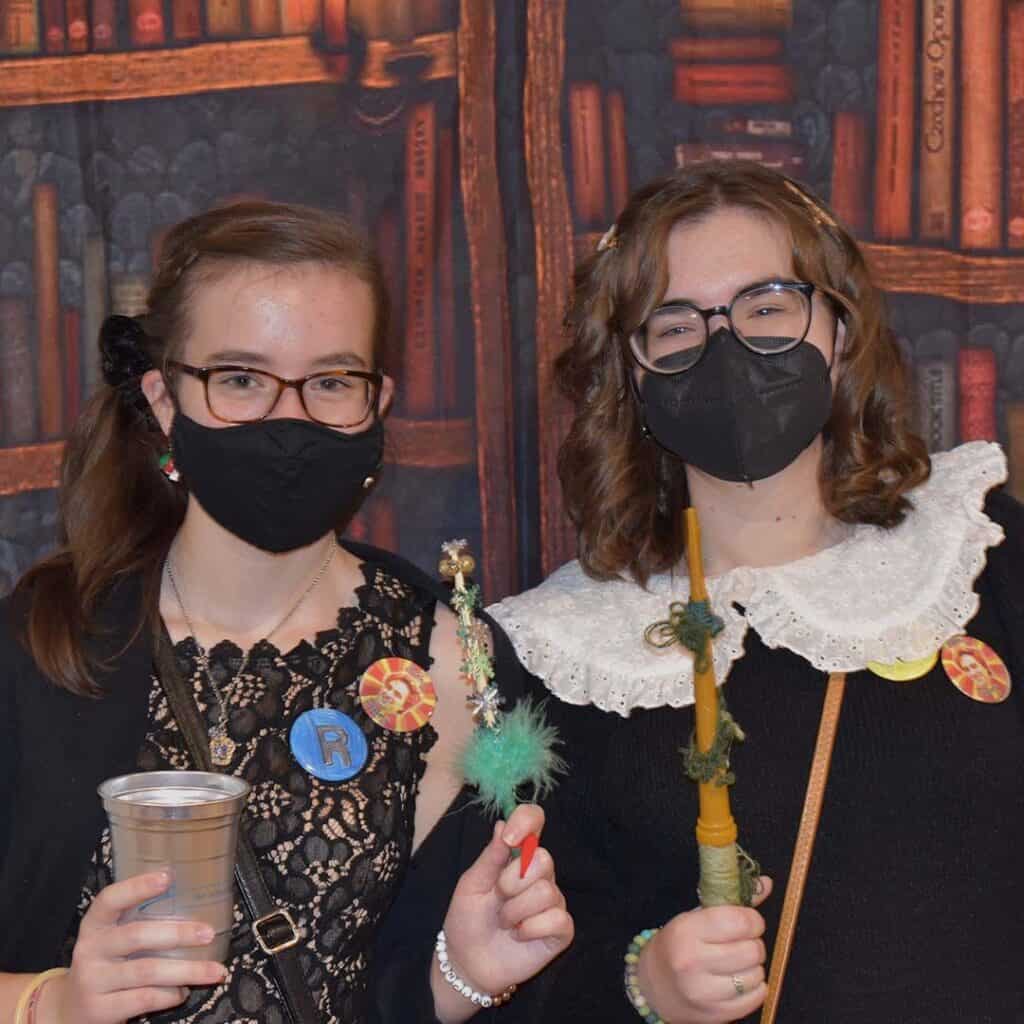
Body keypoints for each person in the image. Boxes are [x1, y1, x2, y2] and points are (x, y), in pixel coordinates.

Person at [0, 200, 572, 1024]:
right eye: (240, 379)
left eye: (332, 382)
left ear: (375, 404)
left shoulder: (456, 666)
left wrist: (463, 979)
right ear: (164, 400)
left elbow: (421, 994)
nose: (288, 420)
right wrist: (51, 1007)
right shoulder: (43, 647)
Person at [487, 162, 1024, 1022]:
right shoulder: (562, 656)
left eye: (767, 306)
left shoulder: (981, 552)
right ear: (632, 367)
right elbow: (513, 969)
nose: (726, 344)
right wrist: (645, 985)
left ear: (840, 329)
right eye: (676, 324)